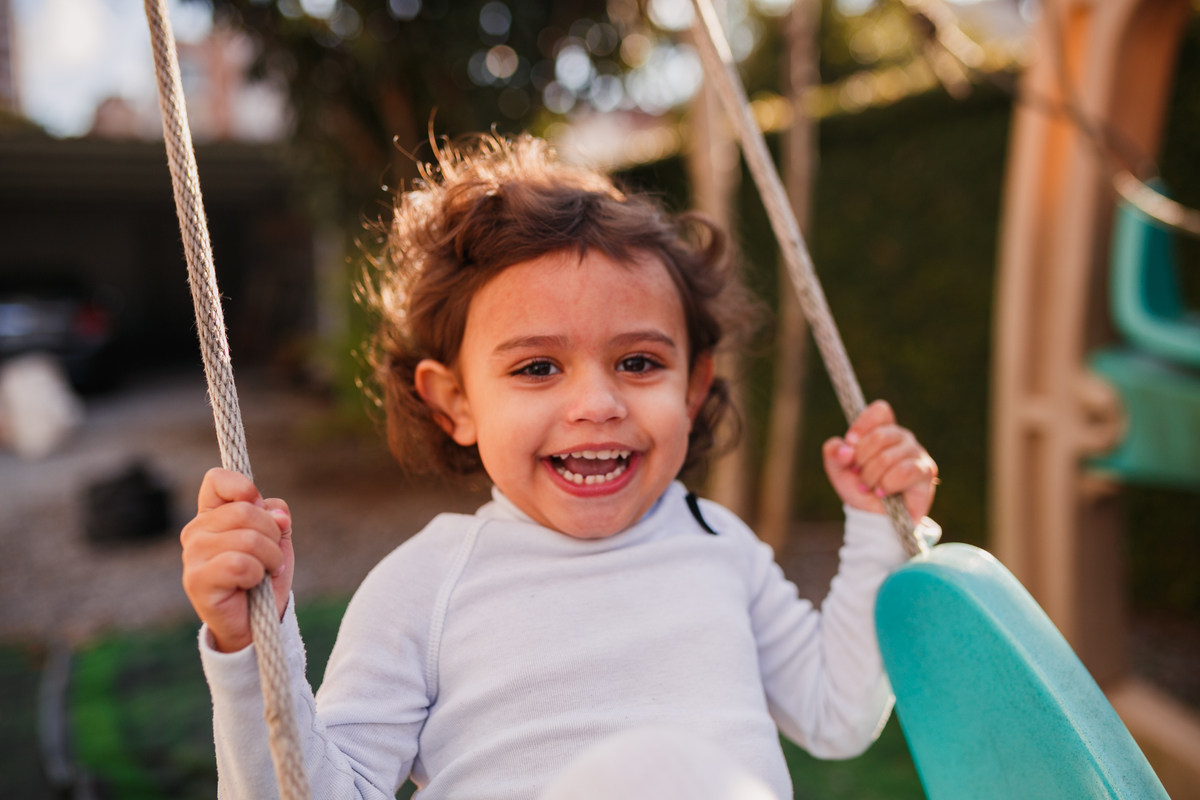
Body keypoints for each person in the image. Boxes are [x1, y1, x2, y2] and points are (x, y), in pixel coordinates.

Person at [182, 134, 940, 800]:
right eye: (539, 368)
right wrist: (253, 652)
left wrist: (879, 526)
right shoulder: (426, 588)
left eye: (639, 362)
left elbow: (838, 715)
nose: (597, 403)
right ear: (456, 403)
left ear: (694, 385)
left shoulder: (720, 547)